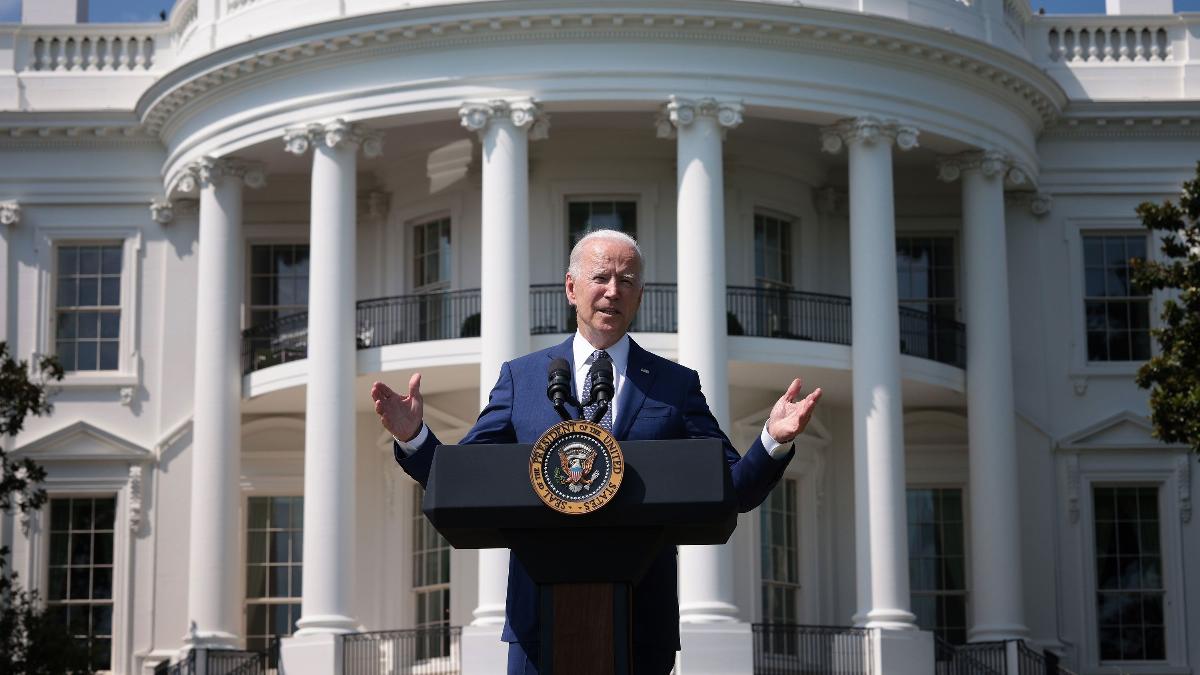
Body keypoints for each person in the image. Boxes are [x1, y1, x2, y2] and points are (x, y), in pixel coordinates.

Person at [371, 229, 822, 675]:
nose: (613, 291)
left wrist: (772, 440)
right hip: (538, 627)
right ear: (571, 288)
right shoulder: (523, 379)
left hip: (642, 622)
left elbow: (733, 488)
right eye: (601, 277)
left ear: (640, 296)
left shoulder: (674, 384)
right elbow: (465, 481)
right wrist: (415, 438)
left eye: (627, 281)